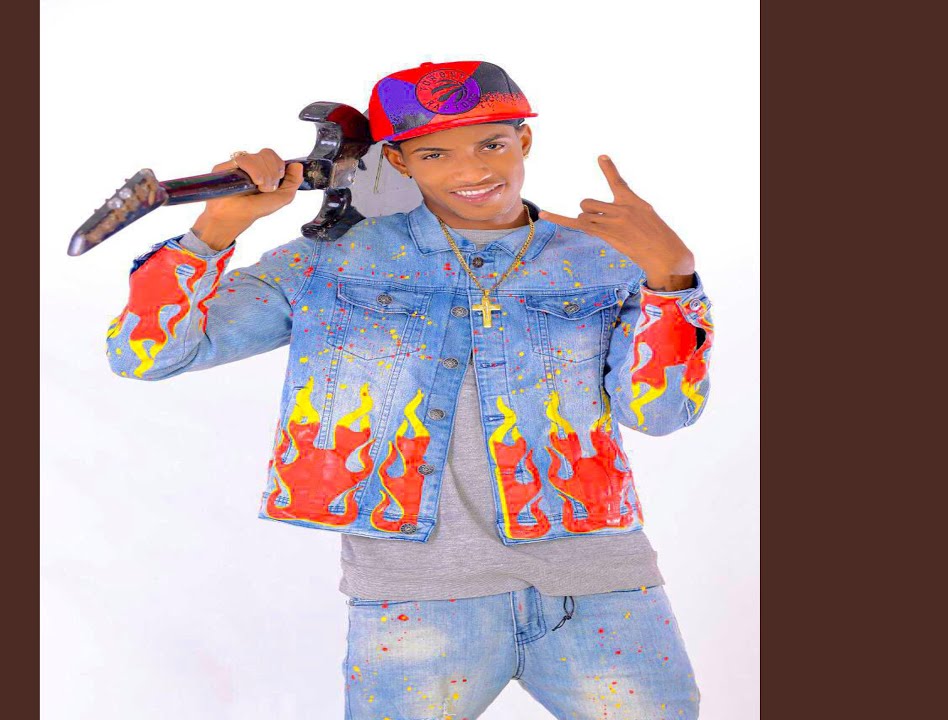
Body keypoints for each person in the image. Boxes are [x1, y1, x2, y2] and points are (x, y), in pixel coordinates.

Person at [106, 60, 713, 720]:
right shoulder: (331, 261)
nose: (472, 170)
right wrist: (216, 229)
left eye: (492, 143)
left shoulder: (604, 258)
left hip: (605, 589)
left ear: (524, 141)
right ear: (397, 160)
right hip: (415, 600)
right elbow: (147, 354)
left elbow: (663, 414)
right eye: (434, 153)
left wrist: (673, 280)